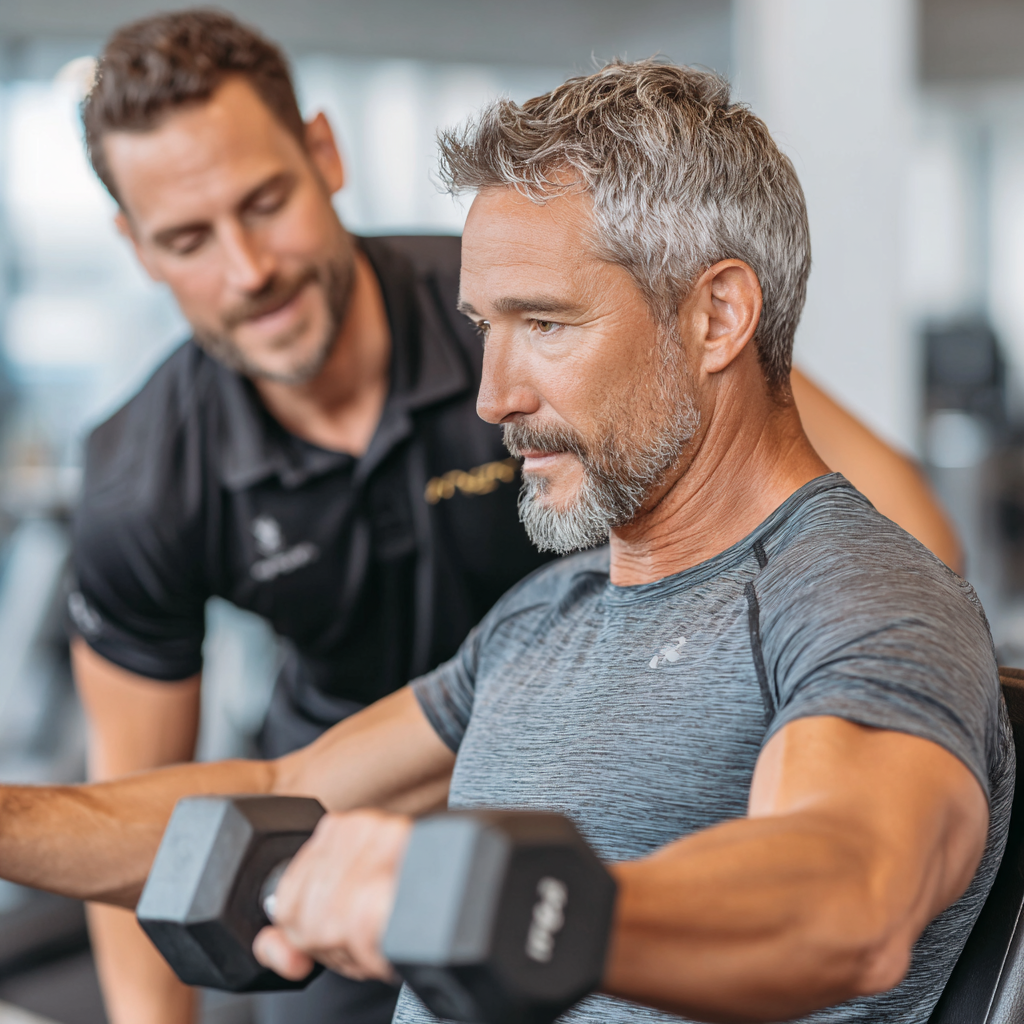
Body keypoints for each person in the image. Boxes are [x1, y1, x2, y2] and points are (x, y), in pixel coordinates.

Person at [66, 14, 968, 1024]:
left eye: (542, 323)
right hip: (374, 864)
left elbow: (848, 896)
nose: (490, 396)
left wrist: (486, 893)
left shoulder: (845, 593)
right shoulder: (547, 610)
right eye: (483, 330)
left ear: (714, 317)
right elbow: (275, 785)